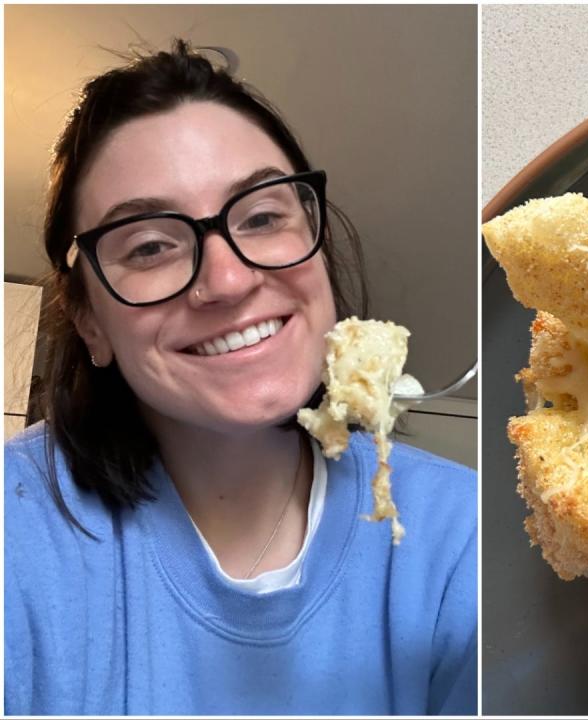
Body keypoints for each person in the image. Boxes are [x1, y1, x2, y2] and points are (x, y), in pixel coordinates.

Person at [4, 40, 477, 716]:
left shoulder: (464, 534)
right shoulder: (17, 534)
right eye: (150, 246)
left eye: (261, 216)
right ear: (89, 321)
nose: (227, 280)